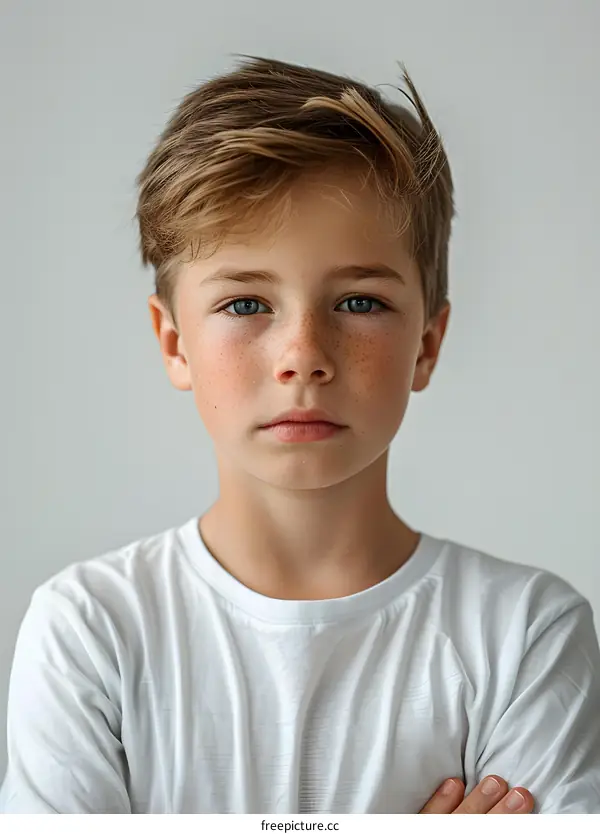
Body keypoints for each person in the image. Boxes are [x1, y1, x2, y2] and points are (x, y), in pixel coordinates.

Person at [1, 55, 599, 815]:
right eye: (246, 305)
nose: (304, 356)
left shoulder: (526, 634)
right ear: (175, 343)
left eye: (359, 302)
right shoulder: (90, 631)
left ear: (427, 344)